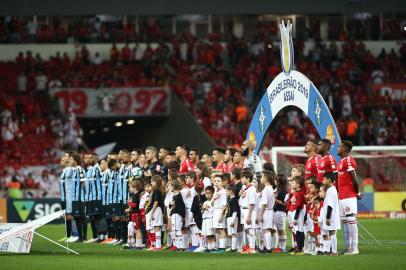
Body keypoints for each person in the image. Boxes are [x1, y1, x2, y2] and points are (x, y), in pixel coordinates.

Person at [337, 140, 361, 255]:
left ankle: (355, 248)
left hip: (349, 196)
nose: (338, 148)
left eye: (340, 146)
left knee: (351, 220)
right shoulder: (341, 161)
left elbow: (355, 180)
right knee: (345, 222)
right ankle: (348, 247)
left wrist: (357, 192)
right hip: (341, 196)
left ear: (345, 149)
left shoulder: (349, 160)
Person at [319, 172, 341, 255]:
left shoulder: (331, 190)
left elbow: (330, 206)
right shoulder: (330, 189)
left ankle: (334, 251)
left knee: (332, 232)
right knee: (331, 232)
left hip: (331, 216)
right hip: (330, 216)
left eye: (324, 179)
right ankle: (331, 250)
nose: (323, 180)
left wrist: (328, 218)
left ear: (329, 180)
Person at [69, 152, 87, 242]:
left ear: (75, 160)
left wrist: (85, 195)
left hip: (80, 198)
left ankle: (85, 237)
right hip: (73, 198)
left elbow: (84, 183)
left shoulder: (80, 169)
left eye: (71, 159)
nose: (70, 161)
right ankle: (80, 237)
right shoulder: (72, 170)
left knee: (82, 217)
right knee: (76, 217)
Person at [257, 170, 275, 253]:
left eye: (262, 177)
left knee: (266, 229)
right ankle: (267, 246)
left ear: (266, 178)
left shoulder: (265, 190)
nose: (261, 178)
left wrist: (260, 214)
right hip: (270, 211)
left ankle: (268, 247)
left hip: (266, 211)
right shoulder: (270, 188)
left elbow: (264, 204)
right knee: (267, 229)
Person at [240, 169, 257, 254]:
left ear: (248, 178)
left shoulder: (251, 189)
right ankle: (249, 246)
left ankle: (252, 247)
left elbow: (252, 203)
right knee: (247, 229)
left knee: (250, 229)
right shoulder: (245, 188)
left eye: (243, 178)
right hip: (244, 210)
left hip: (249, 211)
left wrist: (249, 216)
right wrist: (241, 195)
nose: (241, 179)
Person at [122, 180, 143, 250]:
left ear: (135, 188)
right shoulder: (134, 195)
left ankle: (139, 245)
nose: (129, 189)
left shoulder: (136, 195)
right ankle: (134, 244)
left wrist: (129, 204)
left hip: (136, 214)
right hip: (134, 214)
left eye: (130, 187)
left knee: (137, 229)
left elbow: (135, 205)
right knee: (135, 229)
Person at [148, 175, 165, 251]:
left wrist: (152, 212)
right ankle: (157, 246)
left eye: (152, 181)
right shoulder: (158, 190)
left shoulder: (157, 190)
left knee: (157, 227)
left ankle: (158, 246)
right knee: (155, 227)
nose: (151, 182)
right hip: (157, 209)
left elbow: (156, 201)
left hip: (157, 209)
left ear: (157, 182)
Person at [211, 174, 227, 253]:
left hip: (220, 211)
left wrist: (221, 215)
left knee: (221, 229)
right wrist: (214, 199)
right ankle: (219, 246)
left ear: (222, 182)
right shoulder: (215, 191)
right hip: (215, 211)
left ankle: (222, 248)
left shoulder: (223, 192)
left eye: (218, 181)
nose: (216, 183)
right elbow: (212, 204)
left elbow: (224, 205)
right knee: (217, 230)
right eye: (215, 181)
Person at [290, 176, 306, 255]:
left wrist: (296, 218)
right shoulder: (296, 193)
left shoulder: (299, 194)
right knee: (296, 231)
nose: (291, 184)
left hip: (298, 213)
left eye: (293, 183)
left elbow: (299, 206)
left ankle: (300, 249)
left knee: (300, 231)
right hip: (295, 213)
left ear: (298, 185)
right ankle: (298, 249)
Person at [169, 180, 186, 251]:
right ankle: (177, 246)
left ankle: (182, 247)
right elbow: (171, 205)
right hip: (174, 214)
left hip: (177, 215)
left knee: (177, 230)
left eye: (170, 186)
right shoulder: (175, 196)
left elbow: (181, 207)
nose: (170, 187)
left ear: (173, 187)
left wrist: (181, 215)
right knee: (174, 231)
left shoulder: (178, 196)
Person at [273, 174, 288, 253]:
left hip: (280, 212)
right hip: (276, 211)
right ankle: (280, 247)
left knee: (281, 230)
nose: (275, 181)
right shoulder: (277, 190)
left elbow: (284, 203)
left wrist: (274, 199)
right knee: (278, 230)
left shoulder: (284, 191)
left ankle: (283, 247)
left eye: (276, 180)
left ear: (279, 182)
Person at [201, 185, 215, 252]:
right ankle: (209, 247)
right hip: (205, 219)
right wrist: (203, 209)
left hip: (210, 219)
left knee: (211, 234)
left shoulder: (213, 202)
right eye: (206, 193)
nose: (208, 195)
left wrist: (207, 208)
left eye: (209, 193)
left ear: (212, 194)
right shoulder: (205, 202)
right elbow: (202, 212)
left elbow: (213, 211)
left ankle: (214, 247)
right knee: (207, 234)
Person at [225, 184, 239, 252]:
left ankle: (234, 248)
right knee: (230, 233)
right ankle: (233, 247)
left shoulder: (234, 199)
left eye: (227, 190)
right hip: (229, 217)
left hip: (232, 218)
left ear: (231, 191)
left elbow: (235, 211)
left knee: (233, 233)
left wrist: (233, 221)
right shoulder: (230, 199)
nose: (226, 192)